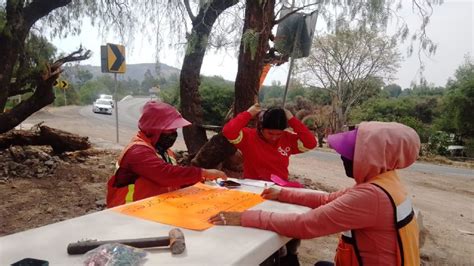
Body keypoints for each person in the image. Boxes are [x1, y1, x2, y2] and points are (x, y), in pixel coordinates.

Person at [211, 121, 421, 265]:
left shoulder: (371, 196)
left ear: (375, 157)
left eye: (349, 154)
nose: (343, 158)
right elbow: (327, 199)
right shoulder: (388, 182)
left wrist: (244, 217)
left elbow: (305, 225)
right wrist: (283, 194)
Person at [107, 101, 227, 208]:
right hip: (127, 213)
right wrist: (203, 173)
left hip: (151, 209)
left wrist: (200, 181)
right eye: (170, 130)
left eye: (175, 130)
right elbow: (166, 174)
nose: (173, 134)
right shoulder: (137, 151)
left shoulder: (164, 151)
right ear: (155, 128)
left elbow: (175, 178)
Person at [222, 103, 317, 181]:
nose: (274, 138)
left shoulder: (288, 138)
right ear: (261, 127)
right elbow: (228, 131)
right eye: (270, 133)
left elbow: (311, 143)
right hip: (252, 186)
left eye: (279, 134)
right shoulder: (248, 137)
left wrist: (292, 120)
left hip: (278, 189)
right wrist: (249, 113)